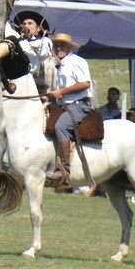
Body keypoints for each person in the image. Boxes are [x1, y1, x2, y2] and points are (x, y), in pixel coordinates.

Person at [45, 33, 93, 187]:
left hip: (79, 105)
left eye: (62, 45)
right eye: (56, 45)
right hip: (64, 105)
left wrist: (62, 92)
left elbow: (85, 83)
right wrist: (49, 97)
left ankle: (64, 170)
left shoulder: (77, 61)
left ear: (69, 47)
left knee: (61, 126)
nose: (58, 48)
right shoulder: (60, 64)